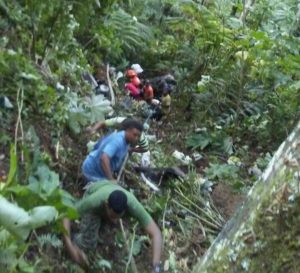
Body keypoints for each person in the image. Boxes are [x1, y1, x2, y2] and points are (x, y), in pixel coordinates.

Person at [63, 181, 162, 273]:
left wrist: (156, 267)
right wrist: (69, 247)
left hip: (110, 190)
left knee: (105, 237)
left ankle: (103, 225)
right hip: (95, 192)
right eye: (112, 216)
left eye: (118, 218)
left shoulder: (133, 206)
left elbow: (156, 233)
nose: (115, 220)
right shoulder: (93, 201)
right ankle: (75, 237)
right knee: (88, 244)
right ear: (106, 205)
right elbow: (66, 215)